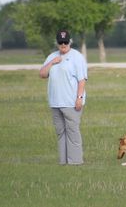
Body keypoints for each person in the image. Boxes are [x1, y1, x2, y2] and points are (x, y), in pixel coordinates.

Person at [40, 29, 87, 166]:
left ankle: (75, 162)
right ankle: (63, 161)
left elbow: (82, 80)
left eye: (66, 42)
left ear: (70, 41)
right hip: (55, 102)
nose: (63, 45)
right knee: (60, 132)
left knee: (72, 131)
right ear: (57, 43)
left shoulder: (77, 57)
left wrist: (79, 97)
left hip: (71, 102)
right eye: (61, 42)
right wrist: (52, 62)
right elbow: (42, 74)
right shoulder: (51, 56)